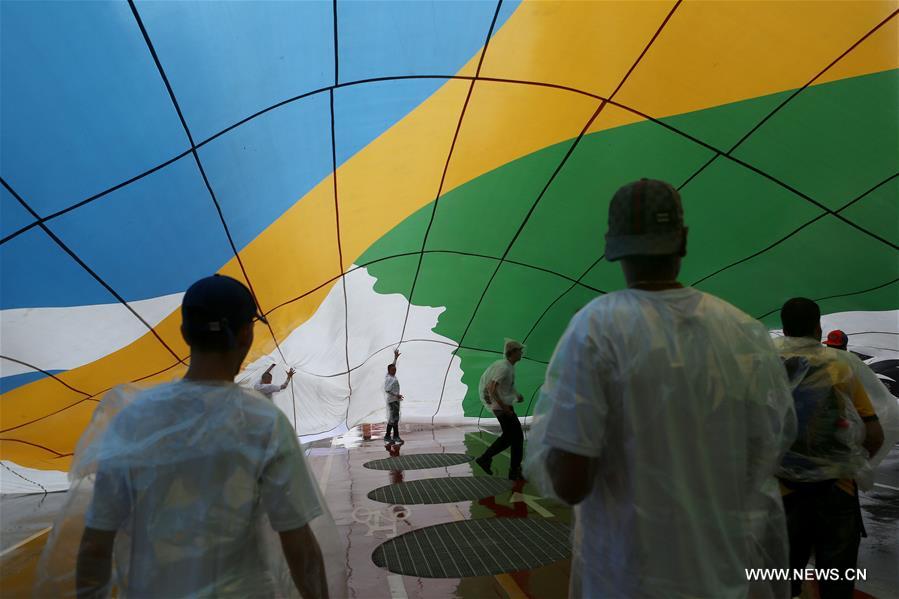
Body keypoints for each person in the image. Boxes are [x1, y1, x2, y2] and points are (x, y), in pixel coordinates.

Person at [524, 179, 796, 598]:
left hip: (629, 579)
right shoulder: (742, 330)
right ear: (682, 240)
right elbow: (763, 452)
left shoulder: (596, 328)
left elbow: (570, 482)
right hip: (725, 575)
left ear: (613, 246)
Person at [39, 275, 339, 598]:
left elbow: (95, 546)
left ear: (185, 334)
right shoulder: (264, 423)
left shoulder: (132, 420)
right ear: (246, 334)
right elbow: (299, 546)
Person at [776, 298, 885, 599]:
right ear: (817, 326)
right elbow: (873, 432)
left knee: (778, 578)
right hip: (837, 490)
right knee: (837, 581)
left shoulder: (760, 364)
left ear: (783, 327)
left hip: (780, 492)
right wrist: (854, 465)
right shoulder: (839, 364)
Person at [474, 340, 525, 480]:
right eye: (519, 350)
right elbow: (492, 388)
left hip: (502, 407)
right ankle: (511, 469)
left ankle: (489, 460)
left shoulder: (508, 366)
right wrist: (504, 408)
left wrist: (516, 395)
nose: (522, 352)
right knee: (516, 437)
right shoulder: (504, 368)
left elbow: (504, 386)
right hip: (502, 408)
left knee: (511, 437)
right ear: (513, 352)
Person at [384, 349, 403, 444]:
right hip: (392, 401)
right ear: (389, 370)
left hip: (395, 400)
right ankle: (390, 436)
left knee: (394, 419)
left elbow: (392, 365)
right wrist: (397, 395)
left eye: (395, 370)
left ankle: (394, 436)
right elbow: (387, 389)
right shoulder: (389, 378)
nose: (394, 371)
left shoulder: (391, 375)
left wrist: (395, 358)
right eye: (392, 370)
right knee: (393, 419)